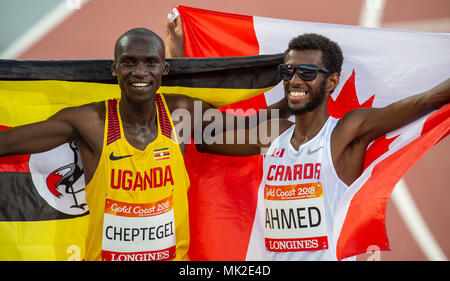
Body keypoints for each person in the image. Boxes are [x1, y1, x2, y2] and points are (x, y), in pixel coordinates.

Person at [0, 27, 287, 261]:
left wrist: (291, 99)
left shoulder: (180, 114)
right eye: (129, 62)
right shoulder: (89, 122)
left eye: (150, 62)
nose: (140, 72)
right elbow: (5, 143)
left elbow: (248, 124)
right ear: (115, 68)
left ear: (164, 67)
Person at [195, 33, 450, 260]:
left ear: (331, 82)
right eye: (288, 72)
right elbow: (207, 141)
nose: (294, 80)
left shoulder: (344, 134)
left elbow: (428, 100)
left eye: (306, 73)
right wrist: (287, 103)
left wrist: (296, 97)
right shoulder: (274, 136)